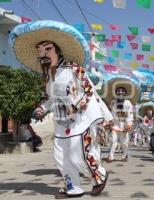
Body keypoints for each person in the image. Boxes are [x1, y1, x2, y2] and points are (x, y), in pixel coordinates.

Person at [10, 20, 113, 198]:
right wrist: (42, 108)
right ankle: (73, 187)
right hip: (60, 122)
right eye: (40, 51)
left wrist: (75, 107)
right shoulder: (48, 77)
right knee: (60, 157)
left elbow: (88, 91)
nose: (43, 54)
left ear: (57, 50)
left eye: (47, 49)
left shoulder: (74, 68)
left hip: (80, 120)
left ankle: (99, 175)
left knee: (76, 156)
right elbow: (51, 99)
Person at [107, 86, 134, 163]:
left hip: (124, 124)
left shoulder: (128, 102)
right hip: (115, 124)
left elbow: (130, 114)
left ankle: (124, 156)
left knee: (124, 142)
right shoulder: (113, 102)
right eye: (118, 91)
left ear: (125, 93)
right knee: (113, 140)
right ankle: (110, 157)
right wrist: (109, 122)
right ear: (116, 93)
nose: (120, 92)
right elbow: (109, 112)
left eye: (122, 91)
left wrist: (129, 124)